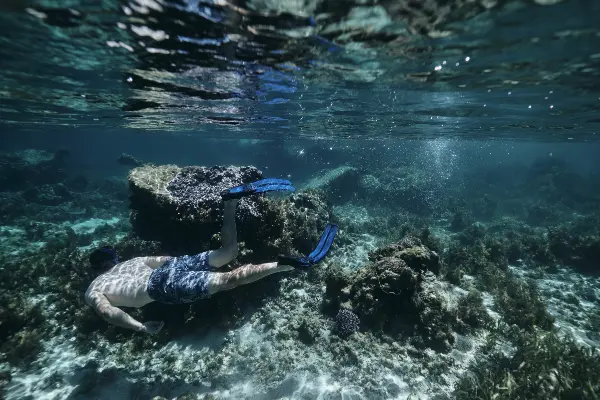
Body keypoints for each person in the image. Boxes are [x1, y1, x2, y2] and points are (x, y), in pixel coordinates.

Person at [84, 178, 338, 334]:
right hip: (171, 267)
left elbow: (107, 313)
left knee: (228, 280)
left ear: (98, 268)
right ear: (111, 261)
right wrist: (185, 268)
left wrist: (140, 327)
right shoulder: (130, 262)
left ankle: (284, 265)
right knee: (228, 252)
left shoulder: (95, 287)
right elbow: (161, 260)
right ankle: (229, 202)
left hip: (159, 286)